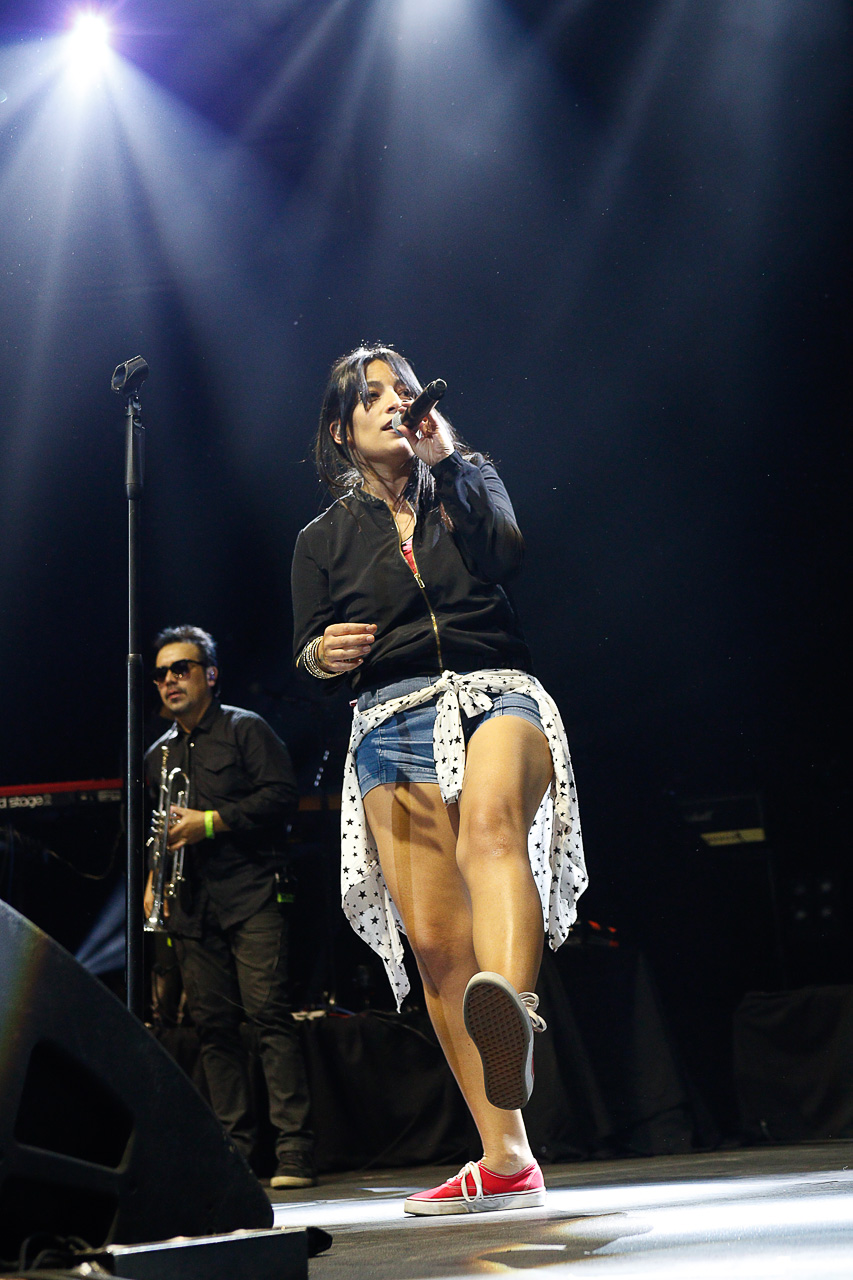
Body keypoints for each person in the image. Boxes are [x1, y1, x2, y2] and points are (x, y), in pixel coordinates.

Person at [291, 345, 587, 1214]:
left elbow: (503, 556)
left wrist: (447, 462)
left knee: (492, 830)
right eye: (372, 395)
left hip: (495, 690)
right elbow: (305, 653)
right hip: (389, 718)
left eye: (405, 390)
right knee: (435, 944)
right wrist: (320, 654)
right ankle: (505, 1159)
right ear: (341, 432)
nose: (394, 402)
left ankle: (512, 1013)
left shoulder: (464, 480)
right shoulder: (318, 540)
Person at [144, 624, 315, 1189]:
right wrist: (154, 878)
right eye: (161, 673)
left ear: (210, 674)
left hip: (251, 893)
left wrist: (212, 823)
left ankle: (294, 1152)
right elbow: (158, 830)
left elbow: (281, 798)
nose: (170, 680)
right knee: (213, 1028)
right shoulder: (156, 755)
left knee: (268, 1019)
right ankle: (236, 1157)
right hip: (192, 905)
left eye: (182, 669)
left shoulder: (246, 729)